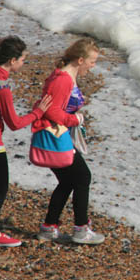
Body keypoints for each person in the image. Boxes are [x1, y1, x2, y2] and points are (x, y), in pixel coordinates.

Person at [0, 36, 53, 258]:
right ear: (12, 60)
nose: (24, 63)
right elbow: (15, 123)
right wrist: (38, 113)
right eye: (23, 59)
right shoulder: (1, 86)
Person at [32, 38, 105, 245]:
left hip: (60, 134)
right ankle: (81, 230)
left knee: (68, 181)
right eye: (92, 61)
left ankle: (49, 228)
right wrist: (74, 119)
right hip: (55, 135)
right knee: (83, 177)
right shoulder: (63, 79)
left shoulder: (66, 76)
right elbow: (51, 110)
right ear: (80, 60)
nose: (93, 65)